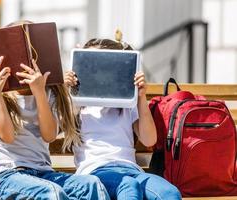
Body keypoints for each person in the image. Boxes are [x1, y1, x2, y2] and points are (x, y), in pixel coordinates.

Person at [0, 22, 110, 200]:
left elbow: (49, 135)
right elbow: (7, 137)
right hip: (7, 176)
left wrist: (39, 92)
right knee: (52, 193)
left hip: (43, 173)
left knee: (91, 185)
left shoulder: (48, 92)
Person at [64, 36, 182, 200]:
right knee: (128, 187)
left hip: (131, 170)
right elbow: (60, 126)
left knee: (170, 193)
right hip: (95, 172)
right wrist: (67, 91)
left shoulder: (127, 102)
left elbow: (149, 140)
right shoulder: (78, 105)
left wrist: (141, 97)